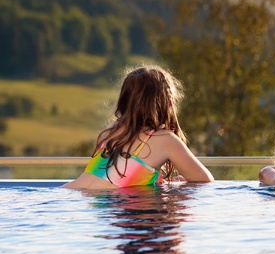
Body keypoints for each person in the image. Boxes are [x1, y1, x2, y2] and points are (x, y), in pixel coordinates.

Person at [63, 65, 214, 189]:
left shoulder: (112, 130)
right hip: (106, 205)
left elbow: (118, 179)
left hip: (69, 194)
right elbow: (205, 182)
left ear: (125, 100)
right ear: (165, 103)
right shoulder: (167, 140)